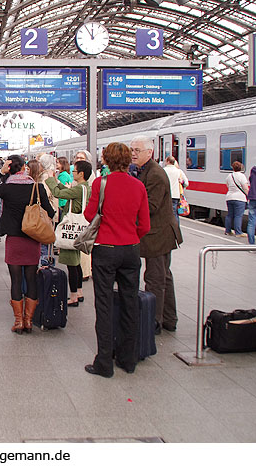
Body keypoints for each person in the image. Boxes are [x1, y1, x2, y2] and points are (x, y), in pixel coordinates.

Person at [83, 142, 150, 378]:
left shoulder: (101, 184)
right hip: (131, 250)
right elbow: (145, 225)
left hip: (106, 249)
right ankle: (128, 359)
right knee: (130, 303)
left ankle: (104, 363)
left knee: (104, 304)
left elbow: (90, 215)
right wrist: (130, 237)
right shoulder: (138, 185)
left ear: (106, 160)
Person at [0, 157, 55, 334]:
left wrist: (0, 173)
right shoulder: (37, 187)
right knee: (31, 278)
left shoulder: (8, 188)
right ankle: (29, 320)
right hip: (33, 239)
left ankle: (18, 321)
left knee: (16, 280)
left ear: (9, 168)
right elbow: (51, 212)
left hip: (14, 240)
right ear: (25, 168)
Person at [130, 135, 183, 334]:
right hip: (157, 233)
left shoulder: (155, 174)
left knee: (155, 278)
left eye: (137, 150)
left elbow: (151, 206)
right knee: (164, 277)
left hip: (158, 234)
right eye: (132, 149)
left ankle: (154, 322)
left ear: (149, 152)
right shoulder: (144, 171)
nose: (133, 154)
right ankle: (169, 318)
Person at [51, 160, 92, 307]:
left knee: (72, 265)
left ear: (81, 174)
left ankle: (73, 295)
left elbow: (58, 193)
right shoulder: (85, 187)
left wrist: (50, 179)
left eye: (74, 172)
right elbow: (65, 191)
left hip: (71, 230)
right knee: (77, 264)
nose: (72, 173)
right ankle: (79, 292)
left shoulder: (78, 188)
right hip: (79, 230)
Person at [225, 161, 249, 237]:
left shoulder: (229, 176)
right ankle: (238, 232)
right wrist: (248, 196)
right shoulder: (242, 176)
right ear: (241, 168)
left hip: (229, 197)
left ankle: (228, 231)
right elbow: (245, 188)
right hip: (240, 198)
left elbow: (228, 185)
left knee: (229, 215)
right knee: (238, 216)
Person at [163, 156, 189, 223]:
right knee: (174, 214)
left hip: (165, 195)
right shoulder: (179, 171)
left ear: (168, 161)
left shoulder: (163, 171)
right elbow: (186, 183)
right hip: (175, 195)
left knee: (164, 213)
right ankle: (176, 228)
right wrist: (181, 182)